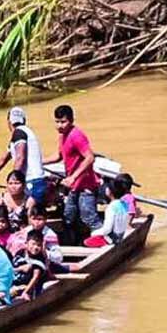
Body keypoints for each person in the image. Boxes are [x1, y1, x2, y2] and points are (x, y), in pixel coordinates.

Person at [45, 104, 100, 243]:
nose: (60, 125)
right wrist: (38, 162)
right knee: (68, 216)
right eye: (57, 122)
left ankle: (102, 242)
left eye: (63, 122)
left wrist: (73, 177)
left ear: (71, 120)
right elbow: (58, 156)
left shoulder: (76, 135)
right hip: (73, 186)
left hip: (85, 184)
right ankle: (74, 242)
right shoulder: (62, 136)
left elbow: (90, 157)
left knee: (88, 216)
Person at [0, 106, 46, 210]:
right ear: (24, 120)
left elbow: (20, 158)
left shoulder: (18, 133)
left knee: (29, 216)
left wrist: (13, 182)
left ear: (9, 122)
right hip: (35, 182)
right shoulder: (22, 133)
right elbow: (2, 160)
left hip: (32, 182)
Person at [85, 178, 131, 247]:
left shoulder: (111, 207)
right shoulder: (124, 203)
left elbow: (107, 229)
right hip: (121, 234)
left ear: (110, 192)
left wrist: (94, 233)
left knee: (87, 242)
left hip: (114, 238)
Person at [12, 230, 49, 301]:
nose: (36, 247)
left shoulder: (39, 259)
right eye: (33, 244)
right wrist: (20, 269)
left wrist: (25, 292)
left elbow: (35, 278)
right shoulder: (20, 253)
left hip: (28, 286)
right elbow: (12, 267)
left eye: (39, 245)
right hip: (16, 280)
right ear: (26, 243)